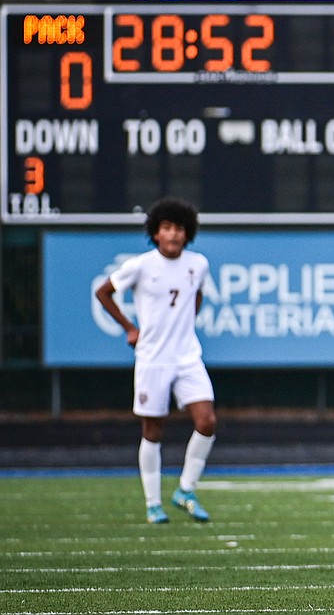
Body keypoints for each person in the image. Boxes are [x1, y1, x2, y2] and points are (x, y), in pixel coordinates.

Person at [95, 196, 216, 525]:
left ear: (187, 232)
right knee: (153, 429)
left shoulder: (198, 263)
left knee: (206, 421)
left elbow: (198, 293)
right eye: (166, 228)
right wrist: (129, 327)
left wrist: (186, 324)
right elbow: (103, 292)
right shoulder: (141, 265)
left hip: (188, 356)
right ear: (156, 233)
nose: (173, 234)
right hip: (153, 358)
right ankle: (153, 503)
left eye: (179, 228)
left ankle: (186, 490)